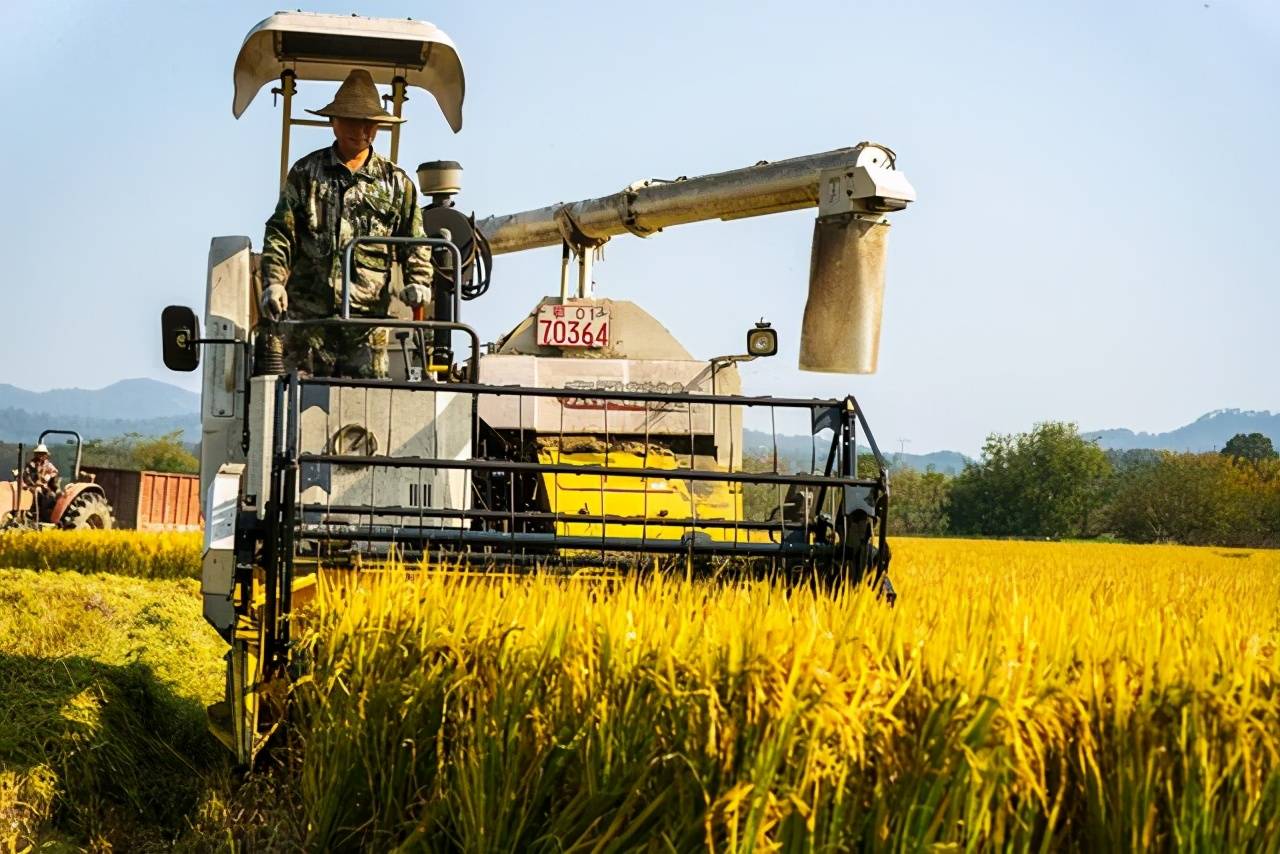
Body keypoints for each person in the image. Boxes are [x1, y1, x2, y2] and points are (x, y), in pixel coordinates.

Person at [259, 69, 433, 378]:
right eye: (352, 120)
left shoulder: (397, 183)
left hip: (365, 328)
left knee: (366, 416)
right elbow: (281, 233)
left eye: (370, 122)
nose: (362, 129)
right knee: (291, 412)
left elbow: (414, 242)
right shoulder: (305, 174)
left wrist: (418, 282)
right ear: (334, 121)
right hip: (308, 324)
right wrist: (273, 282)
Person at [22, 444, 59, 519]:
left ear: (45, 455)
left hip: (43, 487)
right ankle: (31, 512)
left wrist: (48, 476)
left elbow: (55, 471)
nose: (41, 455)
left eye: (43, 453)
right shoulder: (31, 464)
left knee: (51, 496)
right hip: (31, 486)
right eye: (39, 453)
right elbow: (25, 475)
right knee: (34, 493)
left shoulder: (47, 464)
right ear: (36, 454)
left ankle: (44, 515)